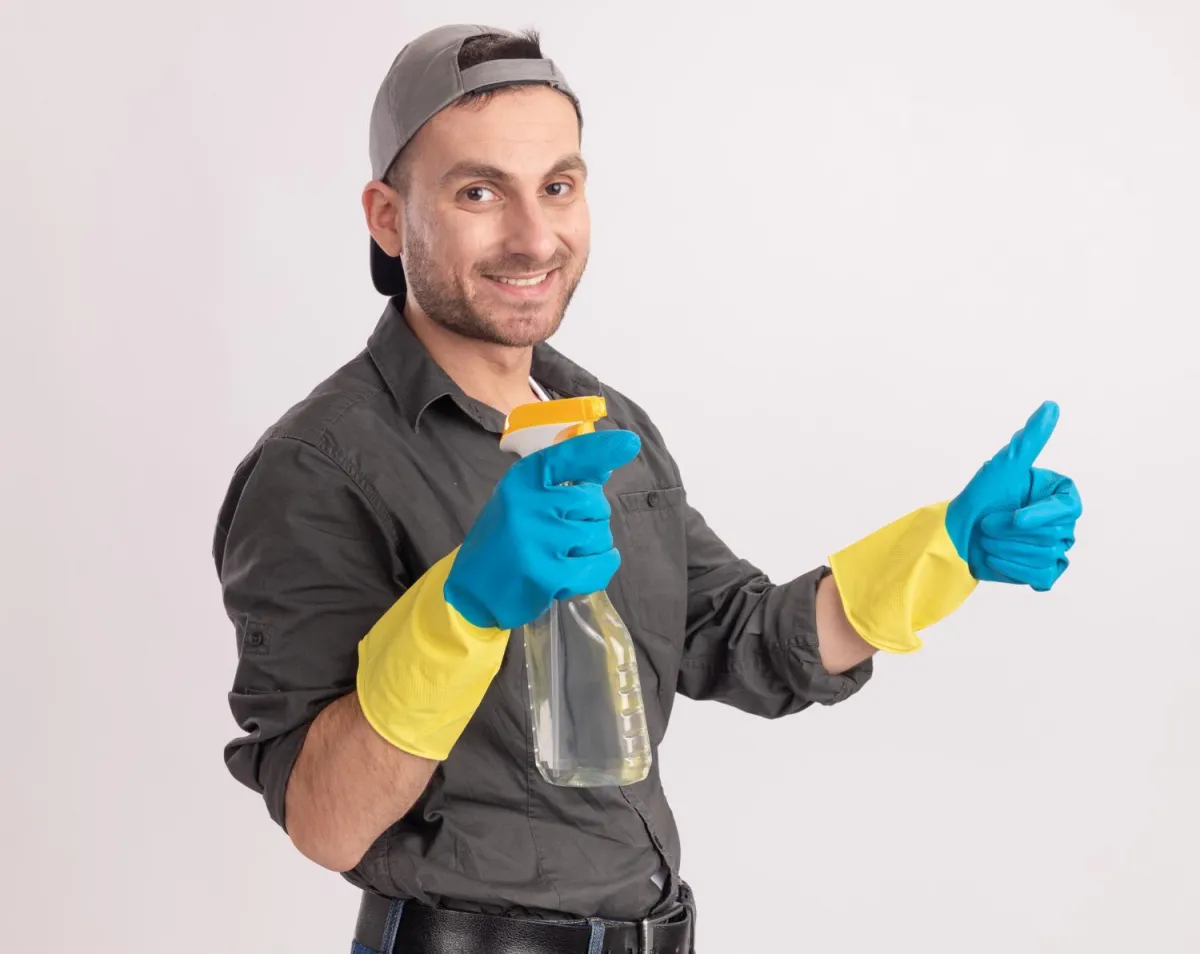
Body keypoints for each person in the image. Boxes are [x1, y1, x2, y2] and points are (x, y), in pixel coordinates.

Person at [212, 24, 1083, 954]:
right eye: (479, 192)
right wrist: (461, 610)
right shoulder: (320, 465)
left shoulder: (603, 428)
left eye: (558, 186)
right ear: (388, 217)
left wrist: (944, 552)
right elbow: (325, 819)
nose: (533, 237)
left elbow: (741, 639)